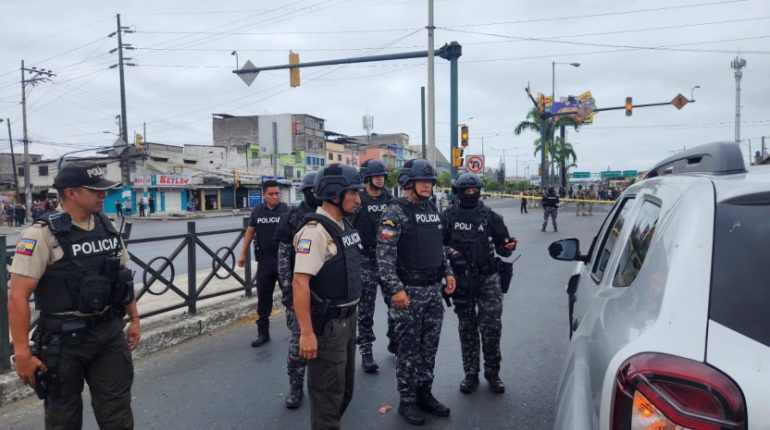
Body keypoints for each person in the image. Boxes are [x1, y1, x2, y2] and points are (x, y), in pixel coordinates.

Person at [8, 161, 140, 429]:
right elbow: (17, 297)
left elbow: (122, 276)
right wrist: (22, 353)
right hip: (63, 342)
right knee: (63, 417)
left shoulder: (107, 225)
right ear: (71, 193)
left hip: (108, 334)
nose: (103, 195)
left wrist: (134, 318)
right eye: (95, 190)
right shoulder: (41, 235)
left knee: (118, 413)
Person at [378, 159, 455, 426]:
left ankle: (425, 393)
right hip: (408, 293)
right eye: (422, 181)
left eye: (430, 182)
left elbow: (438, 246)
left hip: (433, 291)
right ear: (408, 183)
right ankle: (407, 401)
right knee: (408, 350)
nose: (428, 185)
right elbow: (384, 258)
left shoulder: (432, 208)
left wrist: (447, 272)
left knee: (429, 347)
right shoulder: (395, 212)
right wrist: (395, 290)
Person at [292, 164, 362, 429]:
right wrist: (307, 333)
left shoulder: (342, 226)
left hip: (347, 321)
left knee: (344, 392)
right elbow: (300, 282)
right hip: (328, 327)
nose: (358, 199)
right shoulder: (315, 232)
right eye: (352, 193)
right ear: (334, 195)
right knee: (327, 398)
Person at [443, 173, 517, 394]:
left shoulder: (491, 216)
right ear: (458, 192)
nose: (472, 194)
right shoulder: (447, 217)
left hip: (488, 279)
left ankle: (493, 374)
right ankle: (470, 374)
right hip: (461, 280)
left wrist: (509, 247)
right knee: (467, 328)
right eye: (467, 190)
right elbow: (435, 246)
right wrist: (451, 252)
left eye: (475, 190)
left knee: (492, 329)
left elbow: (503, 248)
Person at [274, 172, 319, 409]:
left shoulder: (328, 215)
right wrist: (288, 293)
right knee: (298, 342)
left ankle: (323, 388)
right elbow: (283, 260)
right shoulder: (292, 217)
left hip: (327, 293)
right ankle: (295, 386)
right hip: (300, 291)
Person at [352, 159, 393, 373]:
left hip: (388, 260)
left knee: (395, 304)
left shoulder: (390, 199)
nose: (380, 178)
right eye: (376, 175)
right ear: (367, 177)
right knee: (365, 310)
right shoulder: (358, 199)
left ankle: (394, 340)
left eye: (383, 175)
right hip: (365, 260)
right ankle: (366, 352)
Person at [238, 180, 288, 347]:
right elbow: (250, 232)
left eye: (277, 193)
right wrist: (242, 253)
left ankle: (297, 330)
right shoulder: (258, 211)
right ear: (264, 195)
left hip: (285, 261)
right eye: (271, 194)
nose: (275, 197)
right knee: (263, 297)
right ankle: (263, 333)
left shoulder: (286, 210)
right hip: (265, 261)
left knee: (290, 297)